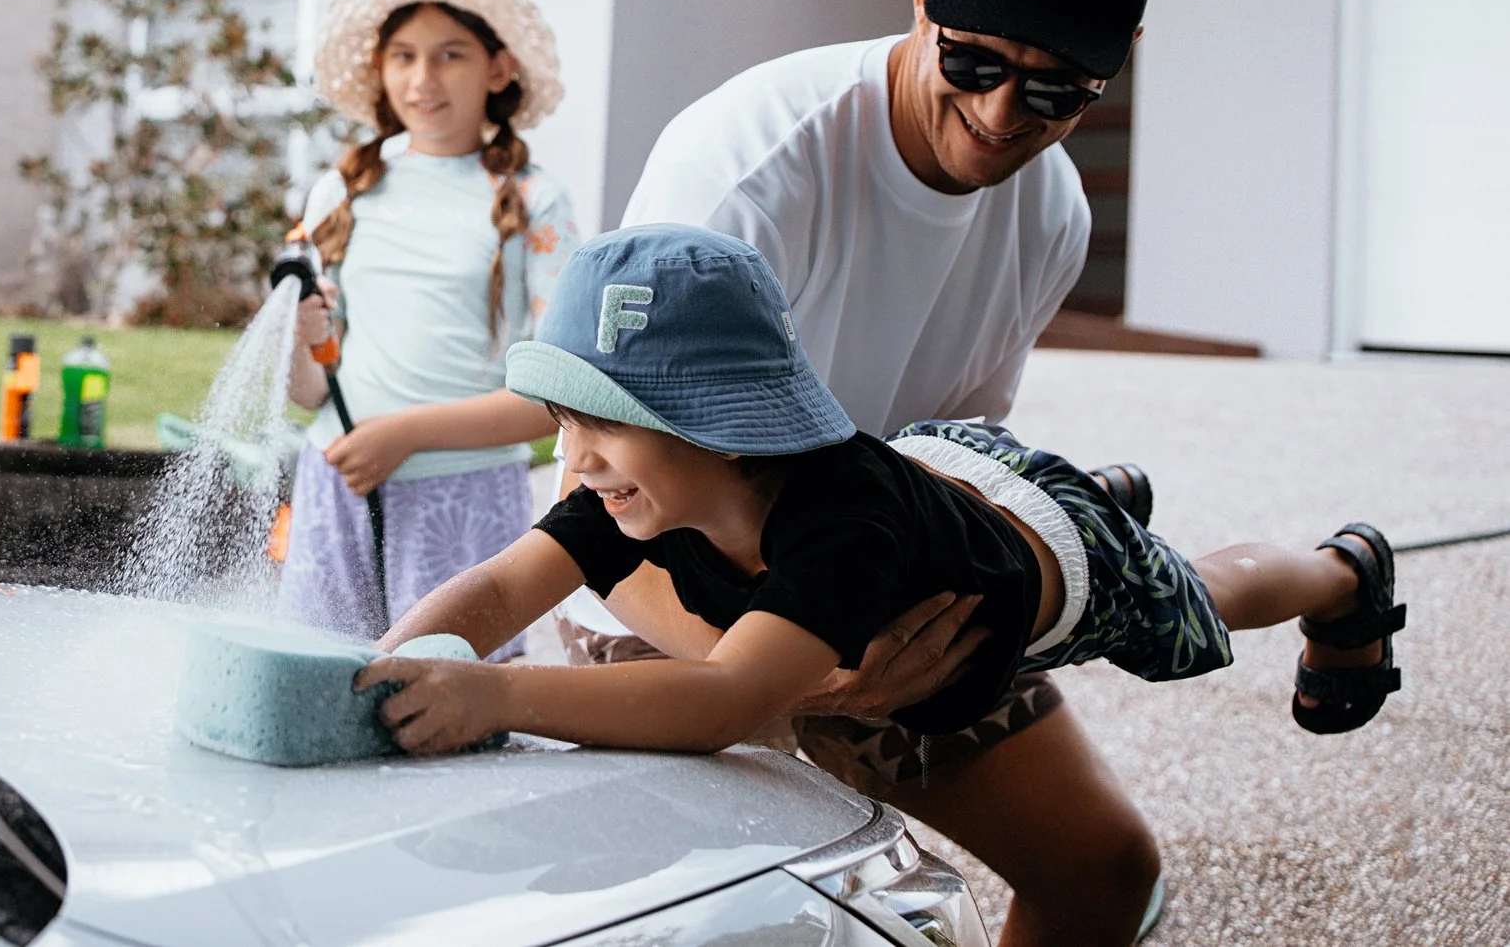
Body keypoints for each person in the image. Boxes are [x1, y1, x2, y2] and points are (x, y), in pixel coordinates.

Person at [598, 0, 1176, 944]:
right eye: (974, 61)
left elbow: (946, 454)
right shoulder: (749, 166)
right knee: (742, 915)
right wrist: (773, 672)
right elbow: (597, 498)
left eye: (1058, 90)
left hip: (871, 579)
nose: (1004, 114)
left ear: (1114, 65)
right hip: (672, 595)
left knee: (1104, 868)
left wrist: (939, 621)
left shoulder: (1049, 211)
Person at [362, 224, 1406, 776]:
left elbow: (725, 698)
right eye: (562, 417)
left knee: (1198, 593)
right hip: (937, 481)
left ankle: (1341, 570)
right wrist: (385, 671)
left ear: (723, 420)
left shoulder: (840, 527)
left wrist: (496, 696)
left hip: (1043, 562)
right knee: (989, 512)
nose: (573, 456)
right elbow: (500, 589)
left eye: (605, 419)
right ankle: (1096, 489)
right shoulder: (627, 487)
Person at [277, 0, 581, 648]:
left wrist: (406, 434)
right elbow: (310, 390)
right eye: (404, 57)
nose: (423, 78)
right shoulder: (343, 192)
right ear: (381, 71)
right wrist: (301, 336)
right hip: (338, 482)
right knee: (321, 685)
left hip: (463, 494)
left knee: (451, 705)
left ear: (499, 69)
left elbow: (553, 396)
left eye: (451, 55)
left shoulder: (536, 202)